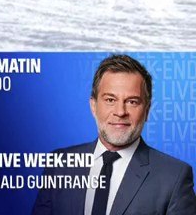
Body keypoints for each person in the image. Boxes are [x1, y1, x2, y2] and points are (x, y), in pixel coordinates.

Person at [31, 54, 196, 215]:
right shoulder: (60, 165)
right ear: (93, 106)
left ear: (146, 110)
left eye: (132, 102)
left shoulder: (174, 177)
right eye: (110, 100)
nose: (120, 112)